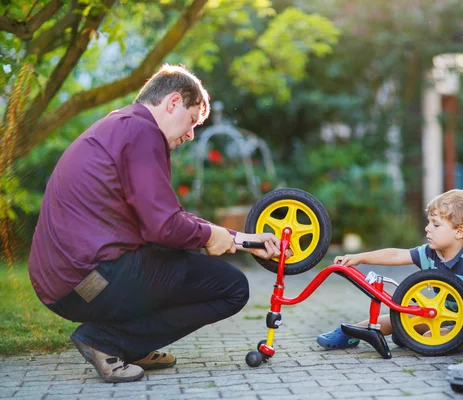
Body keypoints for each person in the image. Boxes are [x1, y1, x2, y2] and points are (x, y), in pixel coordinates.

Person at [28, 64, 285, 383]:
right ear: (173, 101)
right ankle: (108, 341)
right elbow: (164, 227)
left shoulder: (120, 125)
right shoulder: (143, 132)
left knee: (177, 261)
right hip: (90, 279)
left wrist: (242, 239)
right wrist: (212, 235)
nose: (191, 135)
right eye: (192, 121)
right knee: (230, 287)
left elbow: (166, 219)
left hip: (66, 283)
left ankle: (129, 345)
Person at [316, 189, 463, 350]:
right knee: (398, 317)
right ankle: (349, 332)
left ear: (459, 231)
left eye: (436, 224)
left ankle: (409, 336)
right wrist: (360, 257)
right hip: (445, 316)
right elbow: (396, 255)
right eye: (429, 222)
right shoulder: (431, 253)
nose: (427, 228)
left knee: (432, 336)